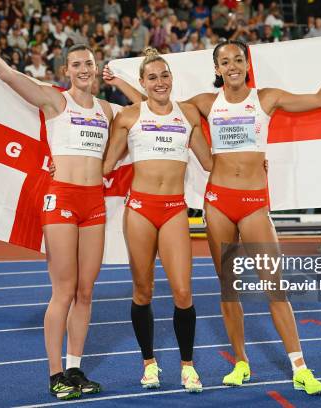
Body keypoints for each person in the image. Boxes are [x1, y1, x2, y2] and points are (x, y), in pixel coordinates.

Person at [106, 33, 321, 395]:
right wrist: (123, 84)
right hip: (218, 201)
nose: (232, 66)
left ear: (246, 64)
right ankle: (240, 363)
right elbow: (155, 105)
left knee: (274, 287)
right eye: (225, 62)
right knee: (229, 289)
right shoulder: (204, 102)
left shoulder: (266, 98)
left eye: (238, 60)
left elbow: (320, 99)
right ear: (217, 69)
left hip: (253, 204)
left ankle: (300, 366)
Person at [0, 18, 115, 400]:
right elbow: (6, 74)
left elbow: (150, 119)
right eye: (77, 65)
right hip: (62, 198)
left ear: (97, 66)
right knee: (64, 290)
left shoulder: (107, 109)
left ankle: (74, 368)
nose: (84, 70)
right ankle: (55, 374)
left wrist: (123, 83)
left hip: (94, 204)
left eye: (89, 64)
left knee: (86, 292)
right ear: (66, 71)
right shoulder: (55, 100)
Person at [103, 48, 212, 393]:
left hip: (174, 210)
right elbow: (105, 166)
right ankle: (149, 363)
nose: (160, 82)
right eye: (152, 77)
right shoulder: (129, 117)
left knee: (183, 291)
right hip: (139, 210)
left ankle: (187, 367)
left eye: (164, 75)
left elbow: (209, 163)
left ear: (171, 78)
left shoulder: (189, 114)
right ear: (143, 82)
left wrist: (251, 164)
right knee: (143, 289)